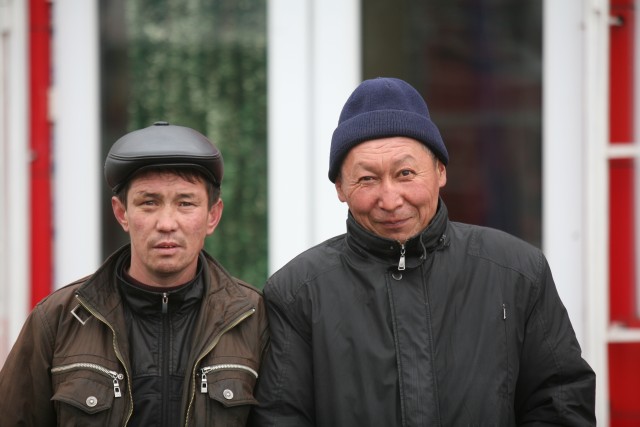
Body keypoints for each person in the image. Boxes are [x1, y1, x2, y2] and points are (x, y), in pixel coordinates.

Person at [249, 78, 596, 426]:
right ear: (340, 187)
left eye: (405, 173)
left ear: (440, 171)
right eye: (367, 179)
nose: (390, 200)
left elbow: (561, 402)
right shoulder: (297, 293)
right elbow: (280, 418)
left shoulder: (517, 272)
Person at [0, 121, 269, 426]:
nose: (166, 223)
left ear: (212, 215)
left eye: (185, 203)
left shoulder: (252, 319)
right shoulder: (58, 320)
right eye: (149, 203)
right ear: (121, 213)